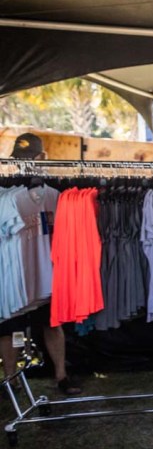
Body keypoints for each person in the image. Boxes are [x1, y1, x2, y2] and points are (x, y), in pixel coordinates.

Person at [0, 134, 82, 396]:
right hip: (17, 276)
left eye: (29, 159)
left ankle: (61, 375)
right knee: (11, 328)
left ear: (41, 158)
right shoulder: (6, 194)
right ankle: (11, 380)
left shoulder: (55, 194)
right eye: (20, 160)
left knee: (52, 324)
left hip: (47, 274)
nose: (24, 164)